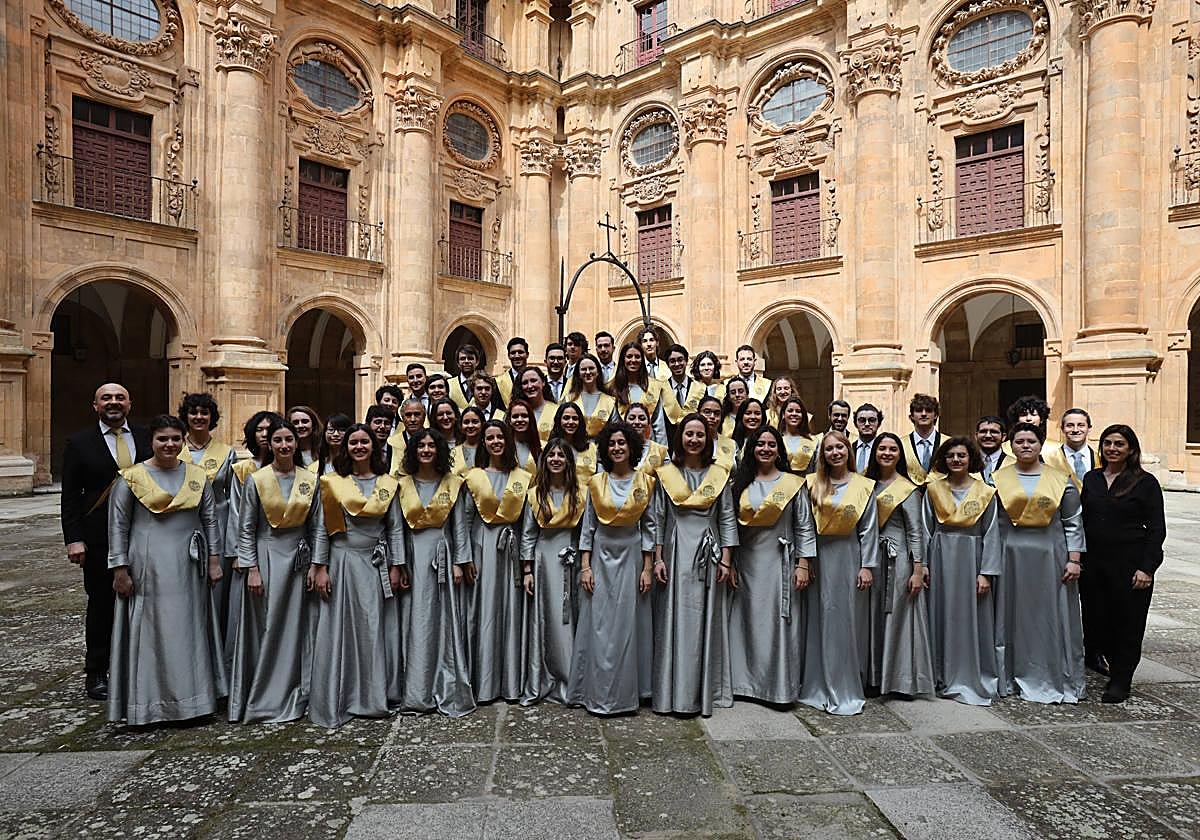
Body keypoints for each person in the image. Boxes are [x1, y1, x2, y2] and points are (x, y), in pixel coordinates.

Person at [107, 414, 224, 724]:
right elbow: (118, 525)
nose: (170, 444)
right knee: (153, 630)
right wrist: (119, 568)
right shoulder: (131, 478)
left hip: (190, 564)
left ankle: (194, 702)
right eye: (163, 439)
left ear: (183, 441)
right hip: (148, 563)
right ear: (151, 442)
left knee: (189, 628)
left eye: (175, 438)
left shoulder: (197, 475)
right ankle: (150, 705)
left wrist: (214, 560)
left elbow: (210, 519)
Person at [308, 424, 406, 728]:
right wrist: (320, 566)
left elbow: (395, 527)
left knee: (374, 626)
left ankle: (375, 694)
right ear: (346, 447)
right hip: (343, 561)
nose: (359, 446)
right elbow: (324, 528)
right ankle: (344, 695)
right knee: (342, 629)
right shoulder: (333, 483)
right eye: (354, 442)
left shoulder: (388, 483)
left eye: (364, 441)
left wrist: (397, 565)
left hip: (376, 562)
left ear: (373, 447)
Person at [61, 383, 151, 700]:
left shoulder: (145, 437)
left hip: (145, 532)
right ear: (95, 405)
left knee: (146, 600)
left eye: (119, 398)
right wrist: (74, 540)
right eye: (106, 398)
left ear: (130, 403)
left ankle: (140, 668)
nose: (113, 403)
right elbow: (70, 497)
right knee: (102, 604)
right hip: (99, 537)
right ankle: (97, 672)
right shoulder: (79, 443)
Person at [229, 417, 318, 723]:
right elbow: (246, 529)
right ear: (270, 444)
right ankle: (264, 695)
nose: (284, 445)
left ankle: (300, 688)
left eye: (289, 440)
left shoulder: (310, 479)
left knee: (298, 626)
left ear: (296, 444)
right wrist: (251, 568)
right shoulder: (257, 479)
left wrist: (316, 565)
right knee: (266, 626)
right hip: (266, 557)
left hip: (299, 561)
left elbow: (317, 528)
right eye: (278, 440)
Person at [567, 421, 659, 714]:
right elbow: (588, 528)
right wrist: (585, 566)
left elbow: (650, 528)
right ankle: (595, 692)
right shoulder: (596, 482)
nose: (618, 448)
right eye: (612, 443)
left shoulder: (646, 482)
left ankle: (628, 694)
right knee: (600, 625)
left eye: (623, 443)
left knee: (628, 625)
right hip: (600, 560)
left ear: (631, 447)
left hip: (632, 558)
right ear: (606, 449)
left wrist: (647, 568)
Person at [651, 414, 738, 716]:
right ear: (680, 437)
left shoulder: (720, 474)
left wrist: (727, 559)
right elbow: (657, 518)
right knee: (674, 619)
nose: (694, 440)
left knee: (705, 618)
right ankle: (672, 692)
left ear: (708, 440)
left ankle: (703, 692)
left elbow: (726, 517)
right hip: (675, 551)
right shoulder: (666, 474)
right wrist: (658, 558)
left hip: (708, 551)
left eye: (700, 435)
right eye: (689, 434)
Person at [992, 422, 1085, 704]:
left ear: (1041, 443)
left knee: (1048, 616)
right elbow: (993, 523)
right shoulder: (998, 479)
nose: (1025, 446)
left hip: (1050, 556)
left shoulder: (1060, 479)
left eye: (1031, 441)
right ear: (1011, 445)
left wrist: (1074, 559)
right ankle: (1009, 675)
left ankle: (1053, 674)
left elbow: (1072, 521)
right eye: (1019, 441)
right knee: (1012, 614)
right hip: (1010, 554)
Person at [728, 426, 816, 704]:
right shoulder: (739, 485)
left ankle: (777, 688)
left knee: (777, 625)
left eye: (771, 444)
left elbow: (804, 525)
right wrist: (729, 563)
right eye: (760, 444)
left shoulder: (793, 484)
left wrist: (803, 564)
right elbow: (730, 527)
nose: (765, 448)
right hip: (748, 562)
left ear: (779, 450)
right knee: (747, 624)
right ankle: (745, 684)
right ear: (751, 449)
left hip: (781, 562)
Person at [1080, 424, 1167, 703]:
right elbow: (1082, 521)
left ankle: (1121, 679)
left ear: (1131, 449)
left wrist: (1147, 568)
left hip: (1130, 563)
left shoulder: (1145, 482)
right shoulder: (1092, 478)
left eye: (1119, 444)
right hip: (1094, 562)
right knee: (1096, 618)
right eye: (1107, 443)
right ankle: (1098, 658)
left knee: (1127, 623)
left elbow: (1156, 529)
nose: (1112, 449)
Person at [395, 428, 475, 716]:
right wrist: (399, 563)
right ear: (413, 451)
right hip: (414, 557)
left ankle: (446, 682)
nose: (426, 450)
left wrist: (459, 562)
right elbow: (396, 528)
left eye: (431, 446)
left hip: (443, 554)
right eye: (421, 446)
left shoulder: (453, 484)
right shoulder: (401, 485)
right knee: (415, 619)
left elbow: (460, 526)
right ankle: (416, 689)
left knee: (443, 621)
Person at [799, 431, 879, 715]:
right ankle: (816, 684)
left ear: (848, 451)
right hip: (820, 558)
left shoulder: (864, 485)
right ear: (823, 454)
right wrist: (805, 561)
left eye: (840, 448)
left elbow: (869, 529)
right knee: (819, 618)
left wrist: (867, 566)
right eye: (829, 449)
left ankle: (846, 686)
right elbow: (805, 525)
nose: (835, 453)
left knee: (846, 621)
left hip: (849, 557)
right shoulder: (812, 484)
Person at [923, 437, 1002, 706]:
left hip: (972, 557)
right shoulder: (933, 490)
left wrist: (986, 572)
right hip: (940, 556)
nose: (956, 460)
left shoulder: (985, 492)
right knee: (940, 614)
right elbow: (925, 529)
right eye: (951, 456)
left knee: (971, 617)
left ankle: (970, 673)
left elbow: (992, 533)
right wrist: (922, 564)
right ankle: (939, 673)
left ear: (971, 459)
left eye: (961, 455)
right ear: (943, 460)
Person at [463, 420, 532, 703]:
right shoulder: (473, 476)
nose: (495, 442)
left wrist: (526, 564)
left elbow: (528, 521)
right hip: (482, 546)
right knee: (485, 611)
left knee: (510, 611)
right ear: (484, 443)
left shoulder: (522, 476)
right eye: (489, 437)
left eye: (500, 437)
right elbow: (466, 520)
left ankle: (510, 683)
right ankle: (485, 684)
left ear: (508, 441)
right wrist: (465, 557)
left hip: (511, 549)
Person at [864, 433, 933, 698]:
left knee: (898, 617)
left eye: (893, 449)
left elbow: (916, 532)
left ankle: (900, 680)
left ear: (899, 454)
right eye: (882, 448)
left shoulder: (907, 488)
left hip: (899, 558)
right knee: (871, 617)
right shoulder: (865, 483)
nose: (887, 453)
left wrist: (918, 569)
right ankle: (872, 676)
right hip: (871, 557)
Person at [521, 439, 587, 705]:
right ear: (544, 460)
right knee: (547, 618)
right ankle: (547, 676)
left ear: (569, 461)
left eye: (561, 455)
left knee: (571, 618)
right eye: (552, 455)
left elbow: (585, 533)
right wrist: (527, 570)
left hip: (571, 559)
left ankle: (574, 677)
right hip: (544, 560)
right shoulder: (535, 494)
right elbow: (527, 534)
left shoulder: (581, 494)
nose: (556, 459)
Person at [179, 393, 239, 675]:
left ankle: (217, 664)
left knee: (217, 595)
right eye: (193, 412)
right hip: (185, 526)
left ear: (212, 418)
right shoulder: (173, 450)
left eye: (204, 412)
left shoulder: (227, 452)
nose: (199, 417)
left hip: (220, 524)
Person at [612, 342, 667, 444]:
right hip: (623, 445)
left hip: (649, 443)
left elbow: (659, 424)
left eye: (637, 357)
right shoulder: (614, 387)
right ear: (623, 359)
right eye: (629, 356)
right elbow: (613, 423)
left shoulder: (653, 386)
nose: (633, 360)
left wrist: (663, 452)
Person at [566, 353, 617, 437]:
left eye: (591, 368)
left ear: (598, 372)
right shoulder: (569, 399)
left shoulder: (610, 401)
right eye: (583, 369)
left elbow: (615, 431)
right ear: (578, 373)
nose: (588, 372)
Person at [1045, 408, 1097, 489]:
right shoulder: (1048, 460)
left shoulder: (1100, 459)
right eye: (1070, 425)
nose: (1075, 430)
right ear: (1062, 429)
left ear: (1089, 428)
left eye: (1081, 425)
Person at [901, 394, 947, 485]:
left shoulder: (948, 443)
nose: (923, 414)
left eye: (928, 410)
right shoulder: (901, 444)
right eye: (918, 410)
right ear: (912, 416)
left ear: (936, 415)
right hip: (909, 495)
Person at [551, 402, 598, 484]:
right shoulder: (550, 448)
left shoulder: (592, 448)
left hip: (586, 495)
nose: (571, 422)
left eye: (575, 418)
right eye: (566, 418)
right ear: (559, 420)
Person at [662, 344, 706, 428]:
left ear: (686, 361)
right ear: (667, 365)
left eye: (680, 360)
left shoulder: (700, 388)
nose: (677, 364)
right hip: (669, 439)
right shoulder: (662, 389)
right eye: (672, 361)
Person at [387, 398, 427, 477]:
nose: (412, 419)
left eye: (417, 414)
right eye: (408, 415)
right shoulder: (391, 442)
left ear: (424, 416)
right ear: (402, 417)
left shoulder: (434, 440)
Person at [697, 395, 738, 471]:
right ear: (698, 414)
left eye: (717, 413)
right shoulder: (689, 442)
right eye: (707, 412)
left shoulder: (731, 444)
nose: (712, 416)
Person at [519, 366, 558, 443]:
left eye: (533, 381)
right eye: (525, 383)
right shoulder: (517, 412)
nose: (529, 386)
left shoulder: (556, 410)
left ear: (543, 382)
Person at [626, 403, 668, 475]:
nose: (637, 422)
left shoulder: (660, 451)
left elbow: (669, 481)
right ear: (625, 422)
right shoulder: (617, 448)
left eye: (642, 418)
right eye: (632, 418)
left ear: (648, 422)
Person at [779, 397, 817, 474]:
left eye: (798, 411)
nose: (794, 414)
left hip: (807, 484)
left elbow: (817, 471)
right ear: (783, 414)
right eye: (790, 411)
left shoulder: (814, 441)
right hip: (780, 485)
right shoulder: (776, 440)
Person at [507, 398, 543, 474]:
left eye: (524, 416)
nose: (520, 420)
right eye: (515, 416)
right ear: (510, 421)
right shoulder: (504, 446)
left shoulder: (541, 446)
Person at [975, 415, 1008, 485]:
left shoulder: (1014, 464)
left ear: (1003, 437)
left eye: (994, 432)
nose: (988, 436)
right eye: (983, 431)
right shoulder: (967, 463)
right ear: (976, 436)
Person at [496, 337, 530, 405]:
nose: (516, 356)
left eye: (520, 352)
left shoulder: (538, 378)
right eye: (513, 353)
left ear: (527, 354)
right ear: (508, 356)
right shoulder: (498, 382)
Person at [454, 406, 486, 477]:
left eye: (475, 422)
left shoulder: (489, 449)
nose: (470, 426)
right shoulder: (454, 452)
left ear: (483, 424)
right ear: (461, 425)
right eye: (466, 422)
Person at [449, 344, 481, 409]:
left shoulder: (484, 385)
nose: (466, 361)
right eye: (463, 359)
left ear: (477, 362)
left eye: (470, 358)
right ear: (458, 363)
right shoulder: (449, 383)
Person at [851, 404, 882, 473]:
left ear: (879, 423)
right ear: (855, 424)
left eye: (872, 420)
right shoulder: (849, 449)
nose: (867, 424)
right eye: (862, 420)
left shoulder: (883, 450)